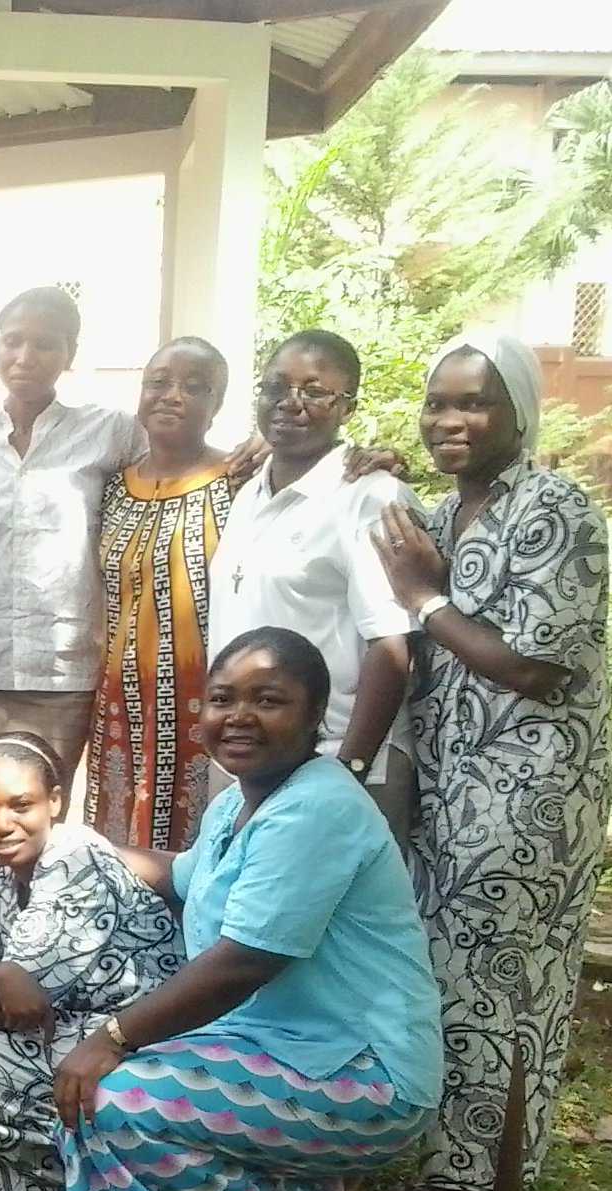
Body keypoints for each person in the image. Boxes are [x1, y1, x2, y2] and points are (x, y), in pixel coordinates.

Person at [52, 627, 441, 1191]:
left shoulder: (316, 810)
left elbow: (245, 962)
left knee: (114, 1100)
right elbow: (181, 878)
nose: (238, 716)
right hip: (280, 1052)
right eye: (222, 698)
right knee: (74, 1069)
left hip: (362, 1075)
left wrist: (112, 1038)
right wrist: (81, 845)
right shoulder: (239, 802)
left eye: (268, 699)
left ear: (315, 715)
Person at [372, 332, 611, 1191]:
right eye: (437, 404)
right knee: (449, 979)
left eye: (473, 403)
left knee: (514, 993)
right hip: (447, 786)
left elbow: (531, 664)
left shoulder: (559, 511)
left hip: (529, 795)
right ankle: (452, 1172)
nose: (450, 421)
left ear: (519, 412)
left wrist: (424, 598)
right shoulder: (439, 512)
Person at [0, 734, 182, 1191]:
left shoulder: (74, 859)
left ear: (56, 801)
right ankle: (63, 1190)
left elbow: (19, 1006)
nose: (2, 825)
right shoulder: (3, 876)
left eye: (21, 805)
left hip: (142, 1035)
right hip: (82, 1029)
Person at [207, 329, 420, 843]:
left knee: (330, 920)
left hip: (336, 758)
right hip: (251, 753)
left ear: (348, 405)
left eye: (315, 390)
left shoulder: (370, 497)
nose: (290, 403)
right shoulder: (248, 495)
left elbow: (391, 645)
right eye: (276, 387)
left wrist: (349, 770)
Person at [0, 286, 139, 803]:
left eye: (45, 344)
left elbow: (182, 469)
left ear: (69, 353)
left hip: (63, 674)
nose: (25, 357)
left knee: (42, 822)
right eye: (13, 341)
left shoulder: (110, 432)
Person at [88, 337, 234, 850]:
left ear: (217, 406)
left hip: (204, 698)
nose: (172, 396)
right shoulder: (111, 485)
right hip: (119, 701)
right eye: (158, 383)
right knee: (117, 842)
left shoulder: (240, 481)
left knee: (198, 843)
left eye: (195, 388)